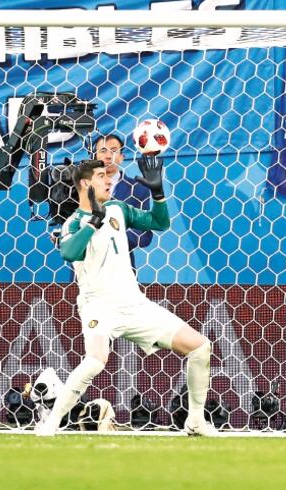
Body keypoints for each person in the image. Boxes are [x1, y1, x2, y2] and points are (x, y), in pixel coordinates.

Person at [36, 157, 216, 437]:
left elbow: (160, 222)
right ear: (85, 183)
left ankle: (195, 421)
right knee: (96, 360)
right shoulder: (73, 223)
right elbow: (70, 253)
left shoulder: (118, 209)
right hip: (98, 306)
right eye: (101, 176)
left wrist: (158, 194)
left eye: (108, 176)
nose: (109, 180)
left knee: (200, 347)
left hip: (134, 304)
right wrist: (93, 223)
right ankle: (52, 421)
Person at [93, 134, 152, 256]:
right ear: (94, 156)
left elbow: (143, 234)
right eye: (103, 151)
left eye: (114, 151)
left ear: (122, 157)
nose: (108, 156)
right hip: (86, 267)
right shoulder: (81, 186)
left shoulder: (138, 189)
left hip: (121, 265)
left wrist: (110, 240)